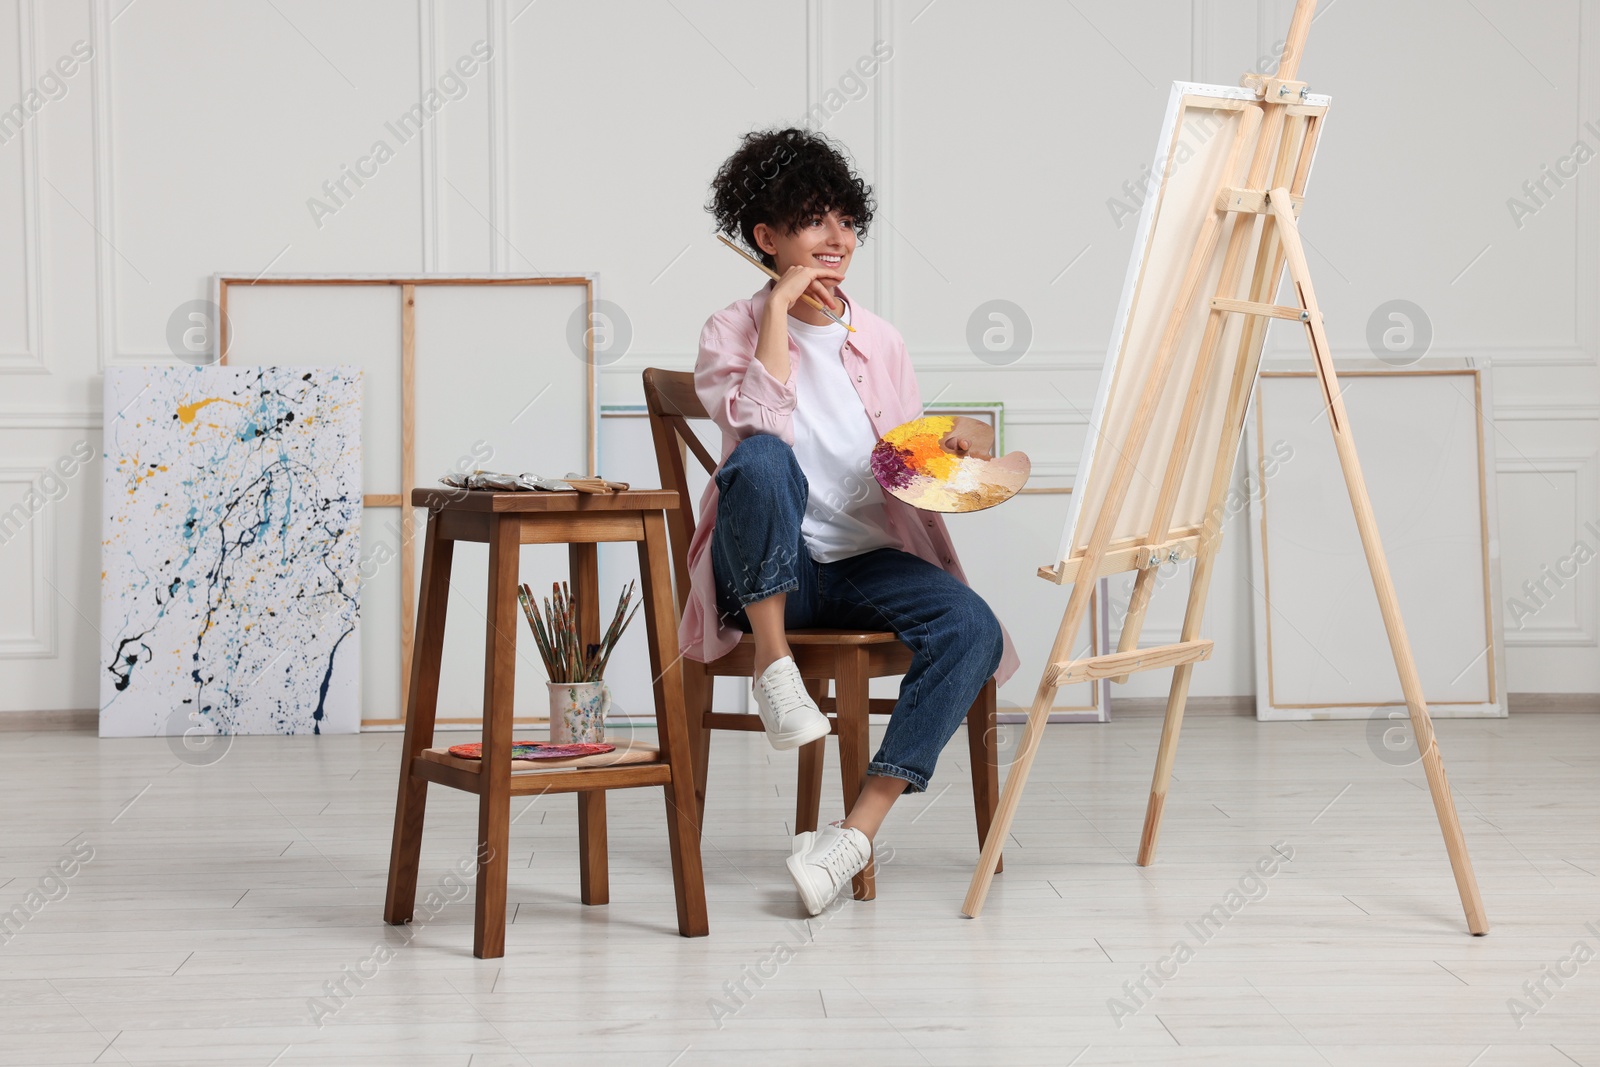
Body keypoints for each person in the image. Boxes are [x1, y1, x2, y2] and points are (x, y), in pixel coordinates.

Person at [679, 126, 1020, 915]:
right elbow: (758, 431)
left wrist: (961, 439)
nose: (836, 238)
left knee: (973, 627)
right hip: (771, 574)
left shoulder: (882, 339)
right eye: (812, 220)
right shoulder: (727, 330)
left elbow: (903, 470)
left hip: (866, 563)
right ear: (767, 237)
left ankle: (852, 835)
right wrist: (779, 316)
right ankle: (774, 668)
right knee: (762, 463)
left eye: (845, 219)